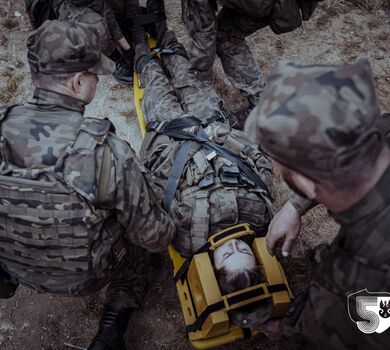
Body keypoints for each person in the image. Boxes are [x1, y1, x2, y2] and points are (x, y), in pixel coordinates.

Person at [0, 20, 175, 350]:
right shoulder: (106, 154)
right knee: (142, 238)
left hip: (16, 268)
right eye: (95, 74)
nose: (97, 79)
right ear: (78, 83)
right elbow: (154, 235)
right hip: (84, 278)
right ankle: (114, 321)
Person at [133, 22, 274, 328]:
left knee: (153, 79)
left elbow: (151, 193)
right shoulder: (261, 216)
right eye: (243, 250)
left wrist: (160, 157)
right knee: (184, 74)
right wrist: (232, 139)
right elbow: (261, 167)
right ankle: (160, 27)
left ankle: (136, 38)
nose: (234, 244)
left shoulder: (187, 238)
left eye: (227, 255)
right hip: (211, 125)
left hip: (170, 134)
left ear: (213, 265)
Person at [244, 60, 390, 349]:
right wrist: (294, 206)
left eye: (283, 172)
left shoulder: (354, 295)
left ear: (308, 182)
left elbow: (319, 335)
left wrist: (286, 329)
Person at [181, 0, 320, 129]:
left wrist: (198, 86)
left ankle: (206, 108)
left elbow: (203, 37)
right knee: (226, 37)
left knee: (221, 38)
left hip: (272, 5)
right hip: (282, 4)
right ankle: (261, 105)